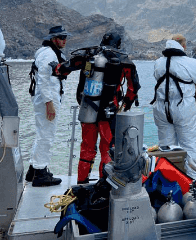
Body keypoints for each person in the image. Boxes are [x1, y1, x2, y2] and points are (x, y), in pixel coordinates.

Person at [59, 31, 140, 183]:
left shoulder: (89, 56)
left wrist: (56, 69)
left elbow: (64, 68)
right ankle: (104, 183)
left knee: (87, 149)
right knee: (107, 149)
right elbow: (133, 87)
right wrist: (126, 105)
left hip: (87, 109)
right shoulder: (123, 60)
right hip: (108, 112)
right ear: (118, 44)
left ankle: (82, 182)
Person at [151, 35, 196, 163]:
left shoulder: (158, 62)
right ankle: (192, 179)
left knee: (165, 146)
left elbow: (157, 77)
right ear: (183, 46)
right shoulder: (191, 62)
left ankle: (168, 178)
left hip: (161, 107)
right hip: (183, 107)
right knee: (189, 144)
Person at [27, 25, 69, 187]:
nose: (64, 40)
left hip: (46, 98)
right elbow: (43, 80)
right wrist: (49, 103)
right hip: (48, 99)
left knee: (42, 133)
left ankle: (34, 169)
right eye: (61, 37)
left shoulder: (46, 52)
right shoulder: (49, 54)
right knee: (47, 136)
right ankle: (41, 173)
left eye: (65, 37)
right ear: (53, 39)